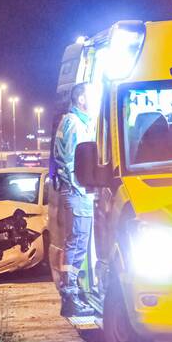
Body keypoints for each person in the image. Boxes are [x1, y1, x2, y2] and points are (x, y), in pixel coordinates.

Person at [53, 83, 97, 317]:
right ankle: (69, 296)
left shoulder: (83, 121)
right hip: (77, 192)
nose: (95, 98)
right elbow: (68, 160)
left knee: (80, 242)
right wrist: (80, 188)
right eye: (91, 94)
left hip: (81, 191)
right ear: (81, 98)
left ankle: (74, 292)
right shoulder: (72, 122)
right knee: (77, 241)